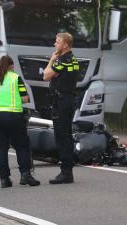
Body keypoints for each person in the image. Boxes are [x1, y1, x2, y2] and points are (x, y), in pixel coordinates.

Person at [0, 56, 40, 188]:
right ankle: (25, 174)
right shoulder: (16, 78)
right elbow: (25, 98)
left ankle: (4, 179)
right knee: (21, 146)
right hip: (13, 117)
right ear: (10, 66)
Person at [43, 32, 79, 184]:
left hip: (61, 101)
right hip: (69, 99)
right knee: (67, 135)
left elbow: (46, 75)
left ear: (65, 45)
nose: (54, 44)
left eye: (57, 42)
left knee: (61, 136)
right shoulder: (74, 59)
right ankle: (68, 170)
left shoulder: (62, 60)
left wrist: (51, 59)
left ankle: (65, 172)